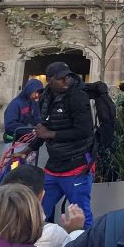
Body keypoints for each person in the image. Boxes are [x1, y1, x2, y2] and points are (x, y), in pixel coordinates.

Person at [35, 61, 96, 228]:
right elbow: (44, 126)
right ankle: (40, 244)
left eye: (67, 77)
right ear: (49, 80)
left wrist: (50, 134)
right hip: (54, 165)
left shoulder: (77, 96)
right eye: (60, 79)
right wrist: (30, 146)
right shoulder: (45, 97)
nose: (65, 81)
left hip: (76, 165)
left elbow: (84, 131)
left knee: (81, 213)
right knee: (39, 211)